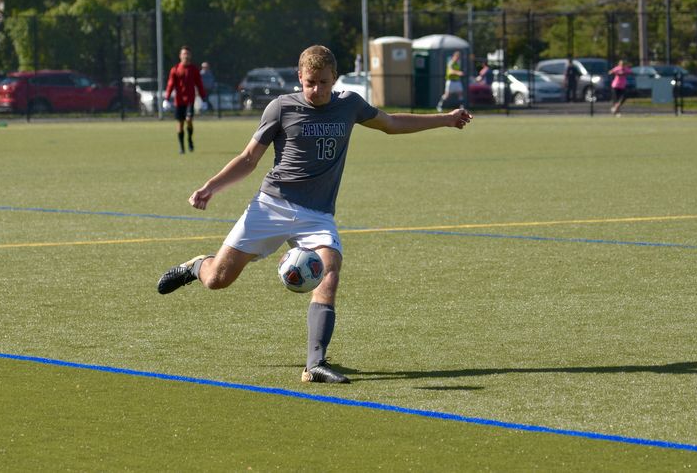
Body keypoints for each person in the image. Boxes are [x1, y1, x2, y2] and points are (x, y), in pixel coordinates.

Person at [156, 45, 472, 384]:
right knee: (218, 279)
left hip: (317, 215)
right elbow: (249, 159)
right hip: (272, 205)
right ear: (299, 77)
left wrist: (446, 119)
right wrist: (210, 187)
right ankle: (195, 266)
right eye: (310, 83)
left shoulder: (350, 104)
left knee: (329, 271)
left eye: (323, 82)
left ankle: (315, 364)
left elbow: (391, 123)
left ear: (334, 78)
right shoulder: (281, 107)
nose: (316, 90)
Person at [164, 46, 207, 154]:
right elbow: (170, 84)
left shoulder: (194, 69)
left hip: (189, 101)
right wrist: (166, 98)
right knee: (180, 124)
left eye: (187, 54)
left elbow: (199, 84)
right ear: (180, 56)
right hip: (179, 102)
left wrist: (203, 98)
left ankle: (189, 139)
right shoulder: (175, 69)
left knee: (188, 120)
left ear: (190, 56)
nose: (186, 56)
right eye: (184, 54)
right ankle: (182, 147)